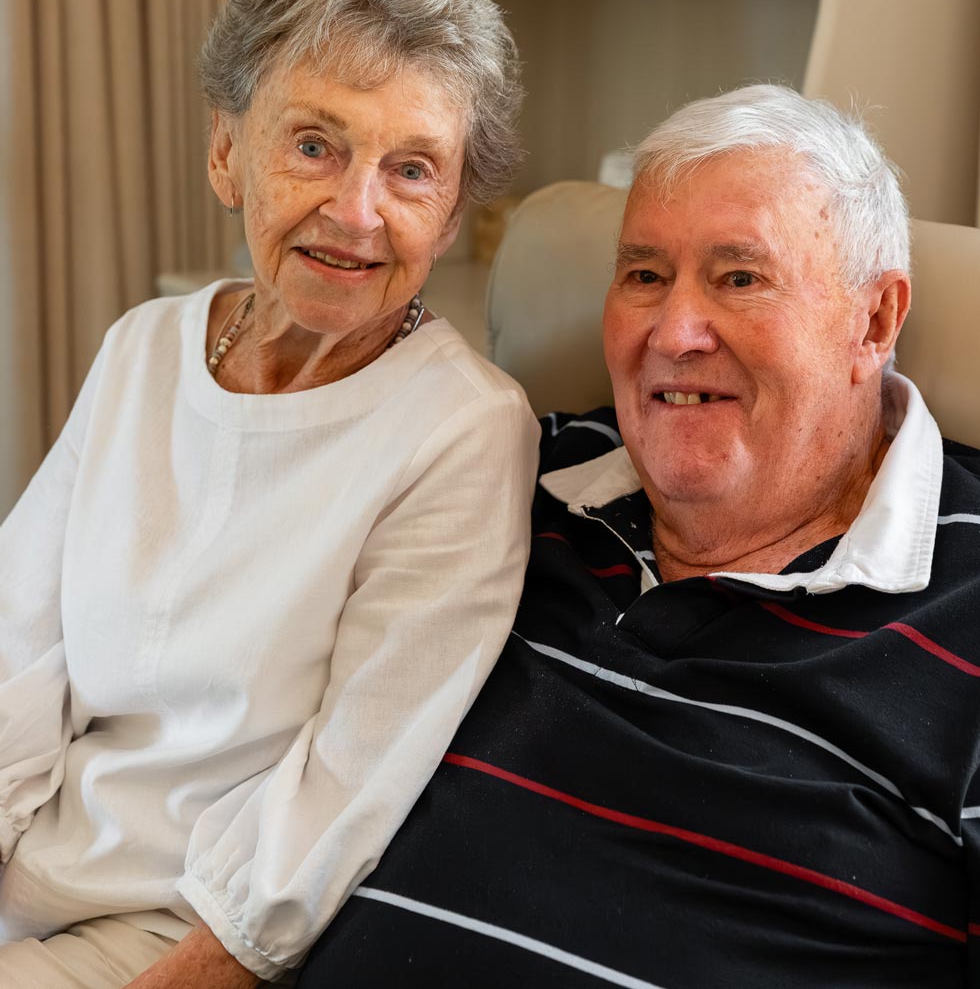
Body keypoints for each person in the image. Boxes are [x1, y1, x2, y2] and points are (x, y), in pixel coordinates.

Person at [299, 85, 980, 988]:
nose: (675, 331)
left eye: (740, 277)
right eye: (646, 274)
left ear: (874, 320)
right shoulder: (501, 471)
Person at [0, 0, 539, 987]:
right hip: (27, 873)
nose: (356, 211)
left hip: (175, 933)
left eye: (411, 169)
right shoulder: (146, 348)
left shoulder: (462, 431)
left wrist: (203, 963)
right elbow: (16, 647)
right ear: (224, 152)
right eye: (313, 145)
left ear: (452, 210)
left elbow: (349, 785)